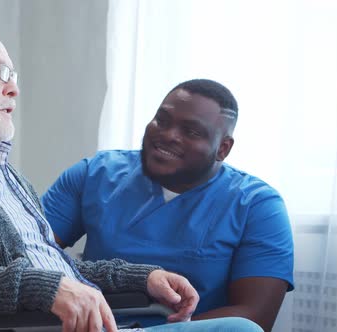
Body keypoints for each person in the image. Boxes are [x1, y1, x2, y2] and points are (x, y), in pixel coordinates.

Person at [0, 26, 263, 332]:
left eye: (13, 74)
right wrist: (43, 288)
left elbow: (59, 269)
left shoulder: (3, 173)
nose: (13, 88)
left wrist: (144, 277)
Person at [42, 79, 294, 332]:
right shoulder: (93, 175)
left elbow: (255, 316)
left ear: (223, 149)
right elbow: (23, 252)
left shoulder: (257, 205)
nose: (168, 135)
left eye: (192, 131)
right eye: (161, 120)